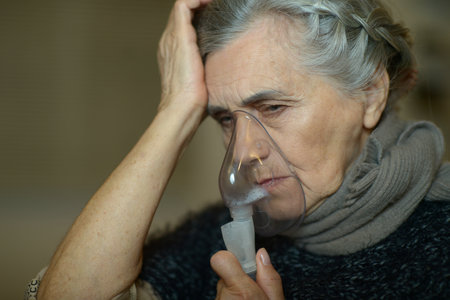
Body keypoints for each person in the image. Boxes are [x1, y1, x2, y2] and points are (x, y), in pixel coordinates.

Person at [26, 0, 450, 299]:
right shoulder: (215, 240)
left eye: (273, 107)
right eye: (225, 119)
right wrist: (174, 111)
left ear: (371, 93)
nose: (244, 152)